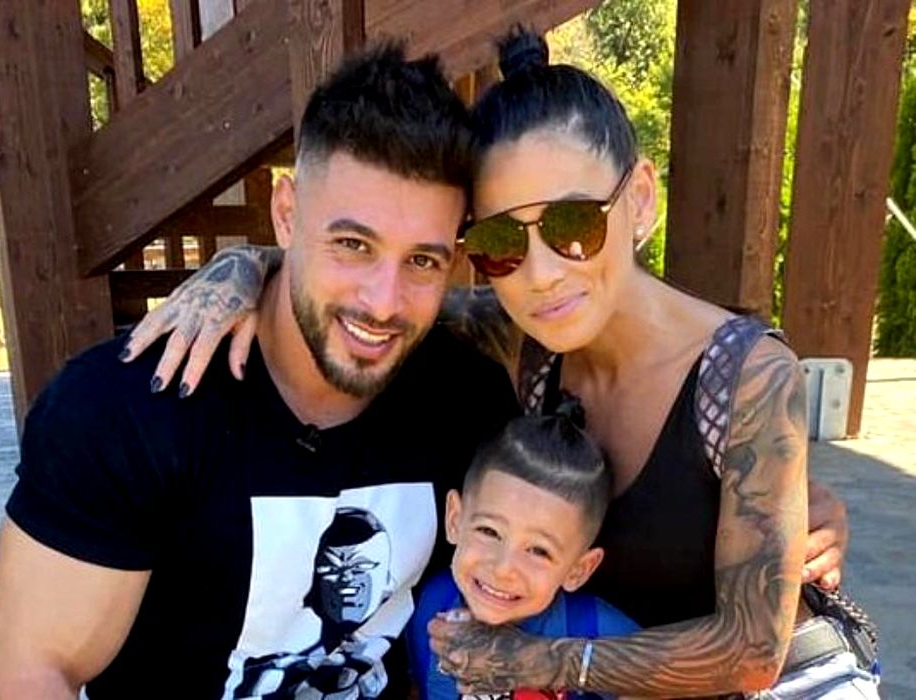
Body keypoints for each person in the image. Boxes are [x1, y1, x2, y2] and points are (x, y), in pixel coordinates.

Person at [119, 27, 864, 698]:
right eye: (502, 242)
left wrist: (538, 662)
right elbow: (368, 290)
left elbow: (753, 653)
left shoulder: (746, 377)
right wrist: (244, 267)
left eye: (573, 224)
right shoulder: (521, 340)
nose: (541, 273)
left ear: (639, 199)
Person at [0, 44, 521, 699]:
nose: (384, 302)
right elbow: (33, 670)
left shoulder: (468, 403)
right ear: (286, 213)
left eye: (422, 262)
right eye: (353, 245)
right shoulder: (127, 410)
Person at [406, 410, 639, 700]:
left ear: (578, 570)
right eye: (489, 531)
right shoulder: (432, 603)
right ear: (455, 519)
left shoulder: (601, 633)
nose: (503, 568)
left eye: (538, 551)